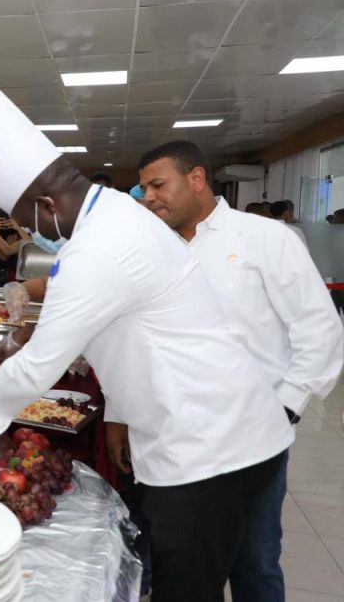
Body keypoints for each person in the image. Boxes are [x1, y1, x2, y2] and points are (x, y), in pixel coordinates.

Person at [0, 89, 294, 602]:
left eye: (28, 221)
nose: (31, 232)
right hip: (205, 426)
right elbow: (108, 319)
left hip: (207, 446)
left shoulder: (99, 246)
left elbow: (40, 367)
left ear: (44, 203)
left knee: (187, 585)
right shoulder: (119, 218)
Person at [138, 140, 343, 602]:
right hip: (175, 433)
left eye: (157, 184)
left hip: (253, 436)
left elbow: (319, 327)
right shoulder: (154, 249)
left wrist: (287, 406)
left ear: (196, 179)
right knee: (184, 560)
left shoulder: (265, 238)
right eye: (143, 188)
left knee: (253, 560)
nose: (149, 196)